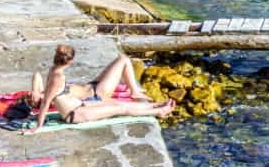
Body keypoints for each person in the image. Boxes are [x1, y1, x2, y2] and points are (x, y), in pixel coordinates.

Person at [26, 45, 173, 133]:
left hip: (81, 105)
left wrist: (35, 91)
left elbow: (38, 77)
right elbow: (45, 102)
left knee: (118, 104)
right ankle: (158, 111)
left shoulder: (54, 71)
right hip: (75, 114)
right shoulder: (57, 77)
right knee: (120, 109)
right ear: (70, 61)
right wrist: (39, 127)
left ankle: (155, 105)